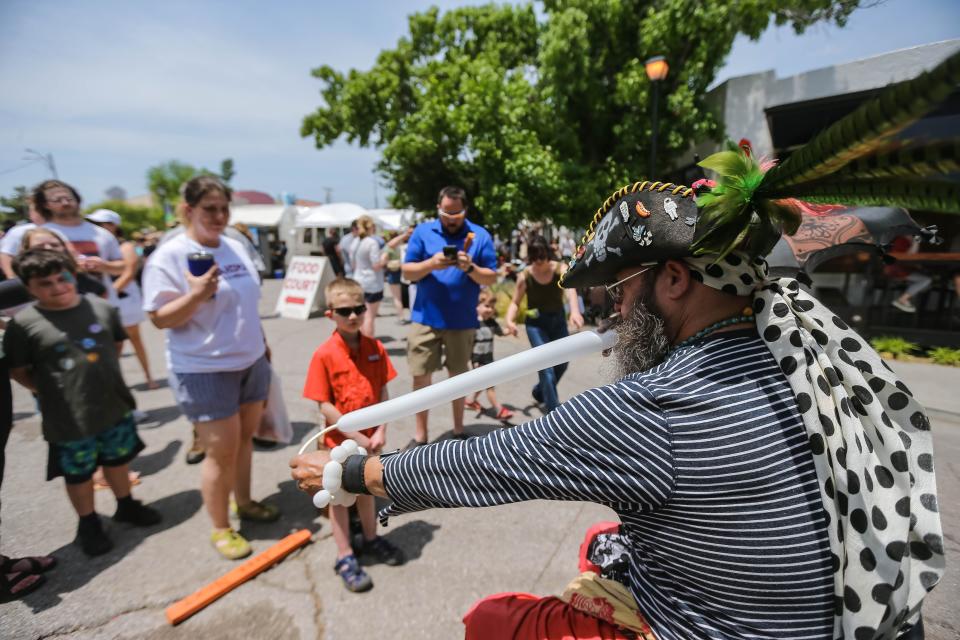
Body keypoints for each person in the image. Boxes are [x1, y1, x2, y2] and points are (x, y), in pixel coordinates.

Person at [293, 168, 945, 637]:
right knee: (606, 539)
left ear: (674, 278)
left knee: (491, 623)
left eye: (624, 289)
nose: (617, 309)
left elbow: (484, 464)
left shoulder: (656, 406)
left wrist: (353, 472)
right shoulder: (804, 358)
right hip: (843, 614)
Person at [142, 175, 278, 560]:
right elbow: (159, 318)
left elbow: (247, 305)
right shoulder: (169, 256)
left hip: (250, 361)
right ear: (188, 210)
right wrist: (197, 295)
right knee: (221, 452)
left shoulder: (234, 246)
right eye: (209, 209)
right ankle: (221, 528)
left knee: (245, 441)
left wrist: (263, 347)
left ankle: (246, 502)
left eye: (223, 208)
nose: (218, 216)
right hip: (204, 369)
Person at [4, 249, 161, 557]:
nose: (57, 287)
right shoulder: (24, 325)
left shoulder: (101, 308)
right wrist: (49, 391)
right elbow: (18, 370)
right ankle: (88, 523)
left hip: (113, 407)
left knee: (117, 461)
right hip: (68, 419)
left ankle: (126, 505)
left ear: (72, 275)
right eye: (44, 283)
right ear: (29, 288)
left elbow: (115, 344)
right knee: (79, 473)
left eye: (61, 278)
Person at [302, 277, 405, 591]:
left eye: (358, 308)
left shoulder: (375, 347)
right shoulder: (324, 354)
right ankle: (345, 554)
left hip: (372, 441)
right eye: (344, 310)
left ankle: (371, 538)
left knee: (367, 492)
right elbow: (324, 404)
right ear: (330, 314)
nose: (352, 316)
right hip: (340, 447)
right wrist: (359, 436)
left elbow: (384, 390)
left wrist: (382, 428)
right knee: (339, 499)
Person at [401, 186, 498, 447]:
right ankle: (420, 434)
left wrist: (470, 267)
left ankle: (458, 430)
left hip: (462, 320)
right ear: (438, 209)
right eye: (447, 213)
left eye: (457, 213)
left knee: (458, 378)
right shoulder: (423, 232)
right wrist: (431, 264)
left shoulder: (479, 235)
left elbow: (491, 276)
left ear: (464, 210)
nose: (452, 219)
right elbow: (408, 272)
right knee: (421, 376)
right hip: (425, 318)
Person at [505, 235, 585, 413]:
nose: (540, 261)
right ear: (531, 257)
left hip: (557, 321)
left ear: (548, 253)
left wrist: (574, 311)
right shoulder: (525, 276)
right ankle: (553, 411)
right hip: (536, 325)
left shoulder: (560, 269)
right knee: (546, 366)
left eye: (543, 256)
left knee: (562, 363)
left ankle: (539, 391)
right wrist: (510, 321)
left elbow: (571, 292)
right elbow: (515, 302)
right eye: (535, 257)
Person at [87, 209, 157, 389]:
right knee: (111, 344)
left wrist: (108, 292)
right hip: (107, 299)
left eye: (102, 224)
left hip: (125, 300)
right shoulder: (96, 244)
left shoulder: (125, 246)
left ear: (114, 225)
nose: (97, 227)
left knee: (134, 339)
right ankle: (115, 384)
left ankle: (149, 377)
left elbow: (128, 272)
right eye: (96, 224)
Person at [29, 180, 125, 303]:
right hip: (61, 309)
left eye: (69, 198)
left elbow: (122, 267)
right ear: (46, 205)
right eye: (57, 200)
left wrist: (105, 266)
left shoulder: (101, 233)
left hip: (105, 305)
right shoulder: (40, 235)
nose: (65, 203)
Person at [464, 289, 513, 420]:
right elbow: (467, 343)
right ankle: (499, 410)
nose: (490, 309)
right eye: (486, 306)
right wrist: (471, 360)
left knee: (481, 384)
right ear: (477, 306)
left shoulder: (492, 323)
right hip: (477, 360)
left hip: (489, 359)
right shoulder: (473, 323)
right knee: (489, 385)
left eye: (492, 307)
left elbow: (502, 332)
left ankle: (469, 401)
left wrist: (511, 330)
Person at [350, 215, 387, 337]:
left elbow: (353, 264)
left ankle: (361, 345)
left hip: (358, 281)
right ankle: (368, 347)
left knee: (362, 316)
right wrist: (384, 259)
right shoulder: (371, 242)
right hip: (372, 283)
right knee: (369, 317)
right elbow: (376, 265)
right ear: (371, 227)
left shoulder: (355, 242)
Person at [0, 196, 47, 279]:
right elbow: (6, 255)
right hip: (29, 278)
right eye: (36, 209)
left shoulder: (62, 228)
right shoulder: (19, 231)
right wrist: (12, 278)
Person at [886, 235, 932, 313]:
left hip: (903, 270)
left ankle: (906, 300)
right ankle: (902, 300)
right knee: (926, 280)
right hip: (897, 270)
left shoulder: (905, 240)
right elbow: (910, 256)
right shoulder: (902, 240)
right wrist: (916, 242)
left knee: (926, 284)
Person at [384, 227, 412, 323]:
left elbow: (389, 246)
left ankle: (401, 317)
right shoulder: (404, 246)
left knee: (397, 297)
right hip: (403, 272)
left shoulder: (398, 246)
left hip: (397, 272)